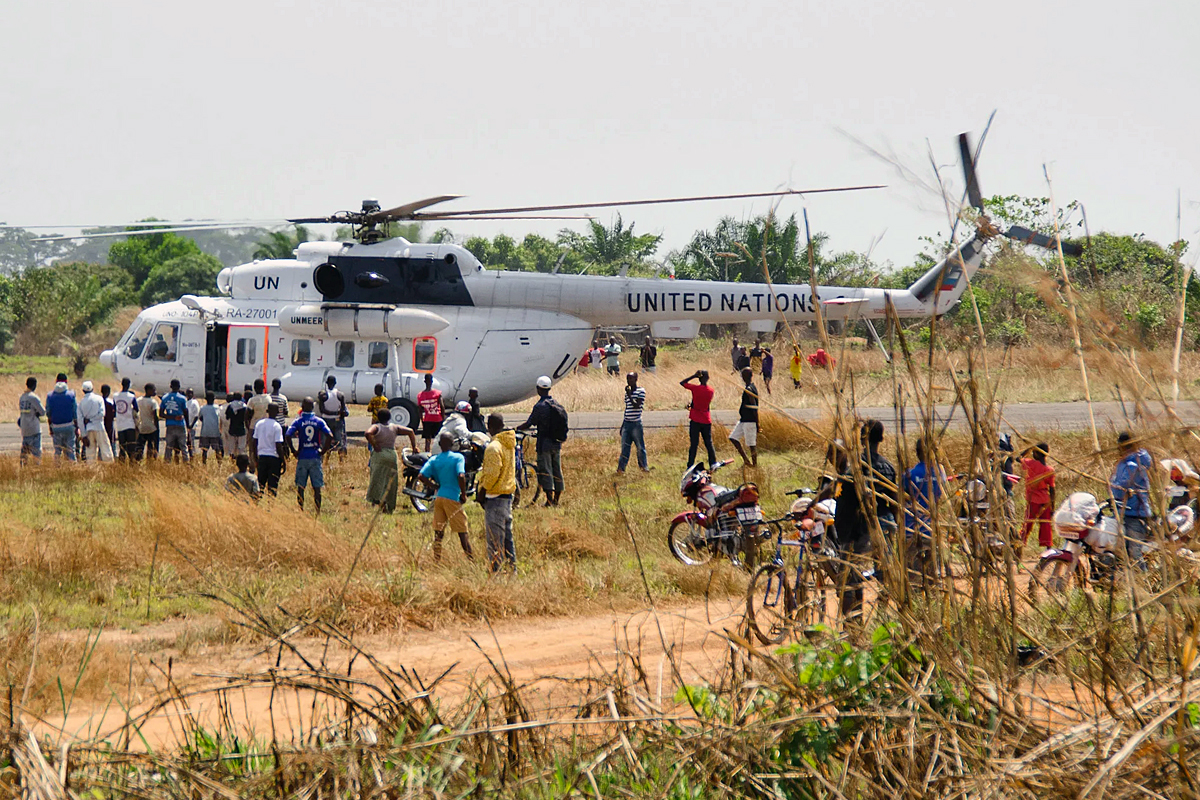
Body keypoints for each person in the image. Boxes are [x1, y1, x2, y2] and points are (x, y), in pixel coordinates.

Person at [417, 431, 475, 561]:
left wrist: (433, 486)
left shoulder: (434, 459)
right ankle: (471, 559)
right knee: (462, 531)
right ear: (453, 443)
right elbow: (461, 475)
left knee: (439, 531)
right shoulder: (458, 458)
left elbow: (421, 476)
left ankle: (437, 559)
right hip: (453, 497)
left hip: (439, 497)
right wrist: (463, 494)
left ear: (439, 444)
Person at [516, 375, 567, 506]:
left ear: (538, 389)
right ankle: (556, 500)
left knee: (546, 471)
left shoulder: (540, 406)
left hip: (544, 444)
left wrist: (516, 428)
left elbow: (529, 423)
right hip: (556, 442)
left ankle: (549, 501)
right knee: (557, 470)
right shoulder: (556, 404)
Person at [480, 412, 517, 572]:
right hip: (507, 496)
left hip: (495, 498)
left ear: (490, 427)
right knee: (507, 540)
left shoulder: (493, 448)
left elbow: (492, 474)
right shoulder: (509, 444)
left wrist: (482, 489)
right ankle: (511, 571)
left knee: (494, 542)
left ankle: (496, 574)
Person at [1110, 431, 1153, 566]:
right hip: (1122, 510)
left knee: (1134, 553)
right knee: (1117, 550)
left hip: (1135, 513)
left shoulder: (1134, 466)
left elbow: (1121, 488)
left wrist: (1112, 486)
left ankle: (1143, 579)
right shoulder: (1124, 463)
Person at [286, 398, 334, 512]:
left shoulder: (298, 421)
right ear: (313, 407)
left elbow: (288, 435)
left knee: (301, 486)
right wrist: (323, 451)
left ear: (302, 407)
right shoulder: (319, 421)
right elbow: (330, 435)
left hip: (303, 456)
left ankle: (301, 509)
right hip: (315, 456)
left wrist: (293, 450)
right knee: (317, 487)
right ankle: (317, 511)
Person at [365, 407, 417, 512]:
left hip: (380, 454)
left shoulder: (377, 427)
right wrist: (414, 447)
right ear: (389, 417)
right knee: (390, 481)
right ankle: (389, 505)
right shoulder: (394, 427)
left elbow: (367, 433)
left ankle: (379, 502)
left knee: (378, 479)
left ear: (378, 418)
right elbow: (411, 431)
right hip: (392, 455)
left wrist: (374, 444)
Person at [902, 438, 946, 538]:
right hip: (932, 528)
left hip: (912, 528)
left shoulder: (909, 475)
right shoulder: (940, 473)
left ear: (917, 453)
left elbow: (901, 499)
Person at [1020, 442, 1056, 549]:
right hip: (1045, 500)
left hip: (1033, 499)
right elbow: (1052, 489)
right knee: (1045, 525)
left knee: (1028, 523)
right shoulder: (1050, 470)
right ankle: (1048, 548)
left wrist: (1029, 449)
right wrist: (1052, 507)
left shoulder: (1030, 463)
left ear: (1035, 453)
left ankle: (1021, 543)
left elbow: (1019, 458)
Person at [680, 370, 717, 468]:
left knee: (694, 444)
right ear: (708, 378)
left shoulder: (696, 389)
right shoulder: (711, 390)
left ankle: (690, 465)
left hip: (695, 419)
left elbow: (682, 383)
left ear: (699, 378)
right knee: (708, 443)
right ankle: (713, 464)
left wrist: (693, 376)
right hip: (706, 419)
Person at [252, 402, 287, 496]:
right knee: (272, 486)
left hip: (262, 457)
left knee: (260, 485)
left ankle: (255, 505)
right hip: (274, 459)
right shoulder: (277, 426)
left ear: (267, 411)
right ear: (278, 412)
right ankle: (270, 507)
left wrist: (255, 457)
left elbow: (254, 442)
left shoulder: (259, 424)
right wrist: (283, 460)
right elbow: (278, 445)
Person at [617, 372, 648, 474]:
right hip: (627, 422)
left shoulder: (641, 391)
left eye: (631, 379)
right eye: (627, 379)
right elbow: (627, 409)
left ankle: (643, 466)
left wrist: (630, 395)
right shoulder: (628, 393)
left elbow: (636, 406)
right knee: (625, 447)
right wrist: (623, 425)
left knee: (640, 447)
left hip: (636, 424)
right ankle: (621, 468)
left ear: (636, 379)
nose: (629, 381)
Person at [729, 367, 758, 468]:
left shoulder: (749, 389)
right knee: (733, 438)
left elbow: (754, 407)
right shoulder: (749, 387)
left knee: (751, 444)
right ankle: (746, 460)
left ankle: (754, 465)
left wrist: (757, 422)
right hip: (743, 420)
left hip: (750, 420)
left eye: (743, 375)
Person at [77, 381, 114, 462]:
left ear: (83, 390)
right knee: (105, 449)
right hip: (99, 427)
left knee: (90, 452)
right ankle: (110, 467)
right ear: (92, 389)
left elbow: (80, 420)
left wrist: (83, 435)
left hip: (89, 429)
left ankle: (92, 470)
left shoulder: (81, 403)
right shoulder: (99, 399)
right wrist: (93, 419)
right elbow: (102, 413)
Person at [46, 374, 78, 462]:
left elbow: (48, 413)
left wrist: (50, 427)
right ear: (66, 382)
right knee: (71, 450)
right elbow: (75, 412)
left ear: (56, 381)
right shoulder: (71, 394)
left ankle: (57, 468)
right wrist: (76, 426)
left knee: (57, 451)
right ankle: (73, 468)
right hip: (69, 425)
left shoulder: (50, 396)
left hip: (56, 426)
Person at [317, 376, 349, 460]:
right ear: (335, 383)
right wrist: (337, 413)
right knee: (340, 440)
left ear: (327, 383)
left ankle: (324, 459)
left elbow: (322, 410)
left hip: (325, 420)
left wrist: (331, 413)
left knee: (325, 441)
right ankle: (341, 459)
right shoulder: (340, 395)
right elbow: (343, 409)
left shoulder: (322, 394)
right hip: (337, 420)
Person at [159, 379, 189, 463]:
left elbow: (161, 414)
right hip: (180, 424)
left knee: (169, 446)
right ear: (179, 387)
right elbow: (186, 412)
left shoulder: (165, 398)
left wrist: (171, 417)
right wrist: (188, 425)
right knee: (183, 446)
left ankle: (166, 463)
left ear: (170, 386)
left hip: (170, 424)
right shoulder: (182, 398)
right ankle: (186, 463)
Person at [18, 377, 44, 463]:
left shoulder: (22, 397)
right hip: (34, 428)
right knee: (36, 453)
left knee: (24, 453)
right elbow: (43, 412)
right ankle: (36, 468)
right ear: (34, 385)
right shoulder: (34, 397)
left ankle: (23, 467)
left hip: (25, 428)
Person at [112, 378, 139, 461]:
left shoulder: (115, 396)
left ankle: (121, 464)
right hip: (130, 424)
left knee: (122, 447)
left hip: (120, 425)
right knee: (131, 447)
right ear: (128, 385)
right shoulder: (131, 396)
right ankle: (132, 464)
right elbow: (136, 409)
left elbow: (114, 409)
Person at [416, 373, 443, 453]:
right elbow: (442, 406)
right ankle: (440, 453)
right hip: (437, 418)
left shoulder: (420, 395)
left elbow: (420, 410)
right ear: (432, 381)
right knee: (439, 438)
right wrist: (442, 417)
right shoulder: (437, 393)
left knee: (428, 440)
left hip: (427, 419)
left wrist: (422, 420)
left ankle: (427, 453)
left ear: (425, 381)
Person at [197, 391, 223, 464]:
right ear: (214, 399)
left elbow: (200, 417)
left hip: (205, 432)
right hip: (215, 432)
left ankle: (204, 464)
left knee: (204, 450)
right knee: (217, 450)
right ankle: (219, 465)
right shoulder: (217, 408)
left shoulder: (202, 408)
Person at [136, 384, 160, 460]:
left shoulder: (138, 400)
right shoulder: (153, 402)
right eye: (153, 390)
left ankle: (138, 461)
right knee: (151, 448)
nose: (155, 392)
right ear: (148, 390)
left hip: (141, 427)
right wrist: (157, 428)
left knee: (140, 447)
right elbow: (155, 416)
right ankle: (150, 462)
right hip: (151, 428)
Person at [223, 392, 248, 458]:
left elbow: (227, 417)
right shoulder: (244, 406)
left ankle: (232, 461)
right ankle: (241, 460)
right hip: (241, 429)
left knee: (232, 448)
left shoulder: (230, 406)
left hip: (232, 429)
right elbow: (246, 417)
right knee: (241, 448)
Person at [185, 388, 201, 458]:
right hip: (186, 425)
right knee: (187, 442)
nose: (189, 395)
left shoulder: (194, 403)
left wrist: (191, 426)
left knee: (191, 442)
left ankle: (193, 456)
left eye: (191, 393)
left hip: (192, 426)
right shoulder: (186, 402)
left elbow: (196, 415)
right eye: (188, 393)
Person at [101, 384, 116, 453]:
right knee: (110, 442)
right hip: (109, 425)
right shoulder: (110, 403)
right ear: (109, 392)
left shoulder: (99, 402)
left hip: (100, 425)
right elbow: (114, 415)